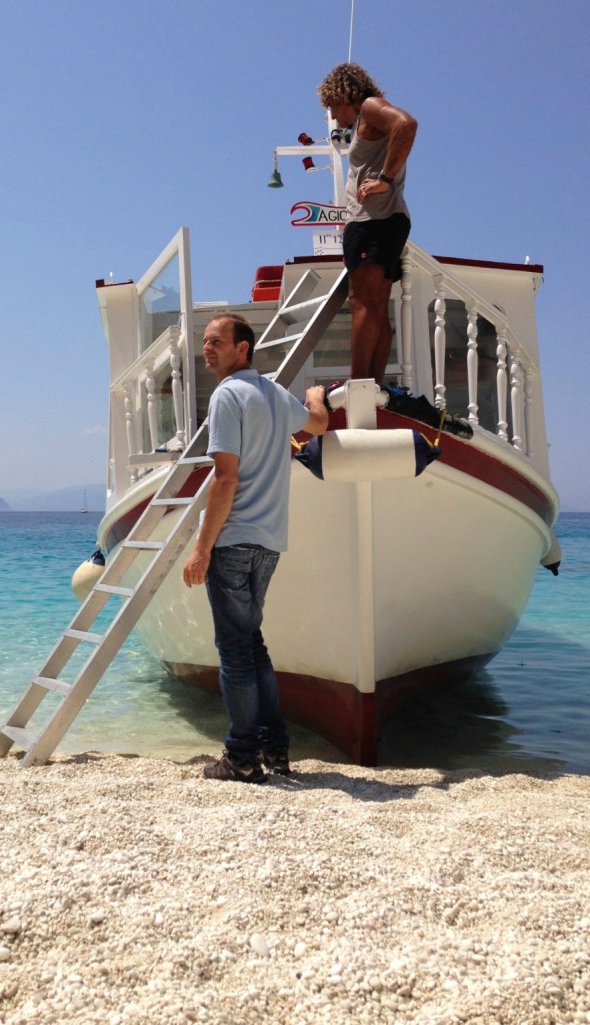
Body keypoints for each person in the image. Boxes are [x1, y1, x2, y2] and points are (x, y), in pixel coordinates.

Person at [183, 314, 328, 783]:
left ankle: (241, 757)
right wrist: (315, 397)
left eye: (217, 342)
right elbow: (320, 424)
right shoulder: (273, 394)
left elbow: (226, 479)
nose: (208, 349)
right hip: (269, 543)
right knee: (253, 644)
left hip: (233, 540)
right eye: (205, 342)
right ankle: (275, 750)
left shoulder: (227, 396)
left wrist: (202, 548)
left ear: (242, 349)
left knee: (236, 652)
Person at [318, 63, 417, 384]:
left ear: (344, 95)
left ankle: (358, 384)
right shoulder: (367, 117)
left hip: (374, 221)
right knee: (375, 307)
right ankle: (370, 385)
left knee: (362, 303)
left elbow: (407, 124)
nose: (333, 115)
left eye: (332, 106)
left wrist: (384, 180)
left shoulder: (371, 107)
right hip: (388, 221)